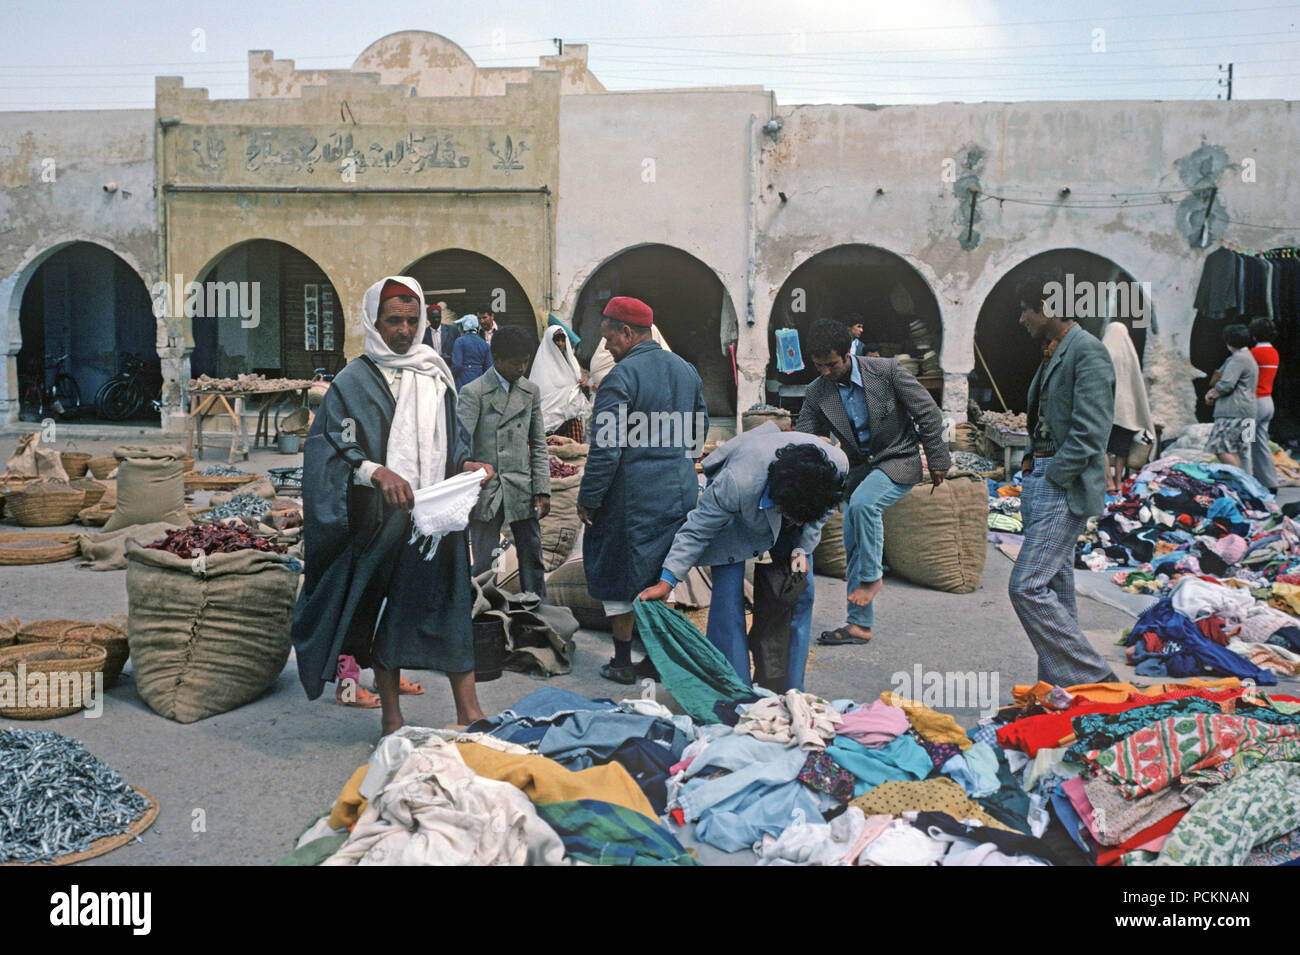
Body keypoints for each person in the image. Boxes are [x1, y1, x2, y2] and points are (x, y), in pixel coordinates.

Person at [292, 275, 495, 735]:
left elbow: (452, 442)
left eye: (411, 321)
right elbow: (331, 447)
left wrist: (467, 464)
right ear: (373, 321)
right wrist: (374, 471)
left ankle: (470, 711)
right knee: (388, 614)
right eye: (393, 321)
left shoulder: (436, 375)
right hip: (380, 522)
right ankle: (391, 717)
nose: (404, 331)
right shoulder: (352, 382)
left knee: (452, 604)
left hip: (435, 522)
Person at [637, 425, 846, 691]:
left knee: (799, 591)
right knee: (727, 596)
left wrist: (801, 550)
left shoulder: (835, 468)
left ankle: (791, 687)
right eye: (794, 517)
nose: (798, 522)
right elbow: (697, 530)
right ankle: (734, 690)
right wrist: (667, 581)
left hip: (794, 496)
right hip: (739, 506)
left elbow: (819, 516)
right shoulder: (735, 484)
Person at [577, 295, 707, 684]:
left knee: (617, 572)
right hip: (679, 493)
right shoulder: (686, 370)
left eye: (609, 340)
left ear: (628, 332)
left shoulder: (621, 377)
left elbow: (606, 448)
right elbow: (698, 436)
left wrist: (589, 497)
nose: (607, 348)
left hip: (630, 498)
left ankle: (621, 662)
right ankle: (654, 660)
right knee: (660, 575)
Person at [795, 319, 949, 646]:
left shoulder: (887, 371)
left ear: (848, 352)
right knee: (851, 534)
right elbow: (805, 434)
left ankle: (872, 577)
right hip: (859, 468)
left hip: (898, 457)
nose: (825, 371)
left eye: (832, 364)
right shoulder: (817, 391)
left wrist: (937, 458)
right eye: (818, 365)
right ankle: (859, 625)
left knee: (865, 505)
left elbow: (929, 414)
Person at [1011, 272, 1120, 687]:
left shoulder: (1088, 352)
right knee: (1056, 592)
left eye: (1026, 309)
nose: (1022, 319)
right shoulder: (1055, 351)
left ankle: (1098, 679)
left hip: (1063, 482)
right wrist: (1029, 466)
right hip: (1042, 477)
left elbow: (1091, 431)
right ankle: (1062, 695)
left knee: (1027, 586)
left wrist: (1054, 475)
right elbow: (1043, 417)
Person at [459, 325, 551, 598]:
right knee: (484, 562)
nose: (521, 367)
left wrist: (542, 489)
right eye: (515, 362)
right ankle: (481, 615)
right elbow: (460, 445)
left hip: (521, 487)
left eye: (526, 361)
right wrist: (469, 468)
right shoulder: (473, 392)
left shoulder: (530, 392)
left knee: (532, 555)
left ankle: (538, 612)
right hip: (487, 489)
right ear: (496, 358)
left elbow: (538, 444)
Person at [1101, 321, 1155, 493]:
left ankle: (1108, 482)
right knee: (1121, 449)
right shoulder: (1129, 352)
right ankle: (1119, 482)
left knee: (1102, 446)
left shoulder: (1104, 351)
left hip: (1106, 407)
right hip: (1127, 412)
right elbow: (1135, 382)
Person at [1204, 323, 1260, 474]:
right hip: (1249, 411)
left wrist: (1211, 394)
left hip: (1233, 412)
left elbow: (1226, 384)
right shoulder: (1249, 357)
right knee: (1244, 451)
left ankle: (1241, 480)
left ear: (1228, 342)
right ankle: (1249, 490)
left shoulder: (1238, 359)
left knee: (1219, 447)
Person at [532, 323, 592, 442]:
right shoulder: (542, 365)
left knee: (575, 453)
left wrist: (584, 384)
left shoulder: (572, 362)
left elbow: (579, 386)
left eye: (562, 340)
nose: (560, 343)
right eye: (556, 340)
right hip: (551, 423)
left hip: (572, 417)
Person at [1250, 316, 1281, 494]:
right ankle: (1270, 482)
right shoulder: (1273, 353)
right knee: (1261, 443)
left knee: (1245, 443)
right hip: (1267, 402)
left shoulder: (1253, 354)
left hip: (1252, 405)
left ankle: (1246, 482)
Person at [451, 314, 492, 390]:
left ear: (464, 327)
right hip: (479, 380)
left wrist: (451, 376)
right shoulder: (485, 344)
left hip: (463, 380)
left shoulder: (460, 341)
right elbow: (489, 367)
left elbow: (457, 365)